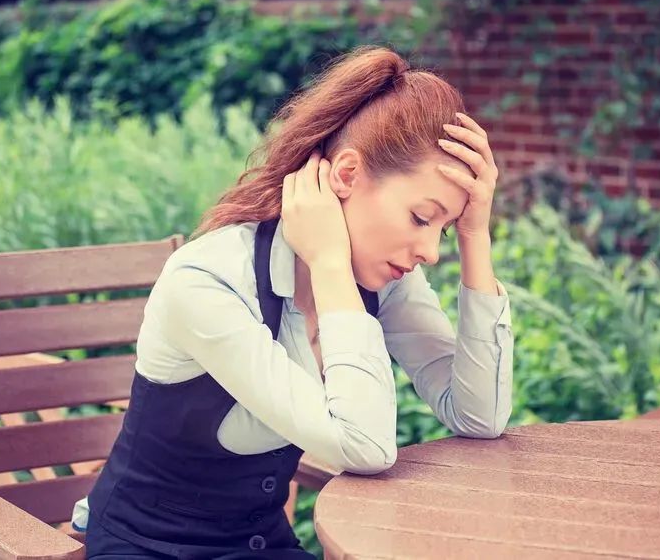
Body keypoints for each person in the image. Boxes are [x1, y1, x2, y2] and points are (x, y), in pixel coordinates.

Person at [75, 45, 514, 559]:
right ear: (346, 177)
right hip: (147, 549)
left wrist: (476, 235)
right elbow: (366, 448)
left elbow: (480, 417)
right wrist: (328, 265)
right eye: (422, 217)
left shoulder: (382, 278)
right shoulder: (208, 280)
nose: (430, 252)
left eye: (446, 227)